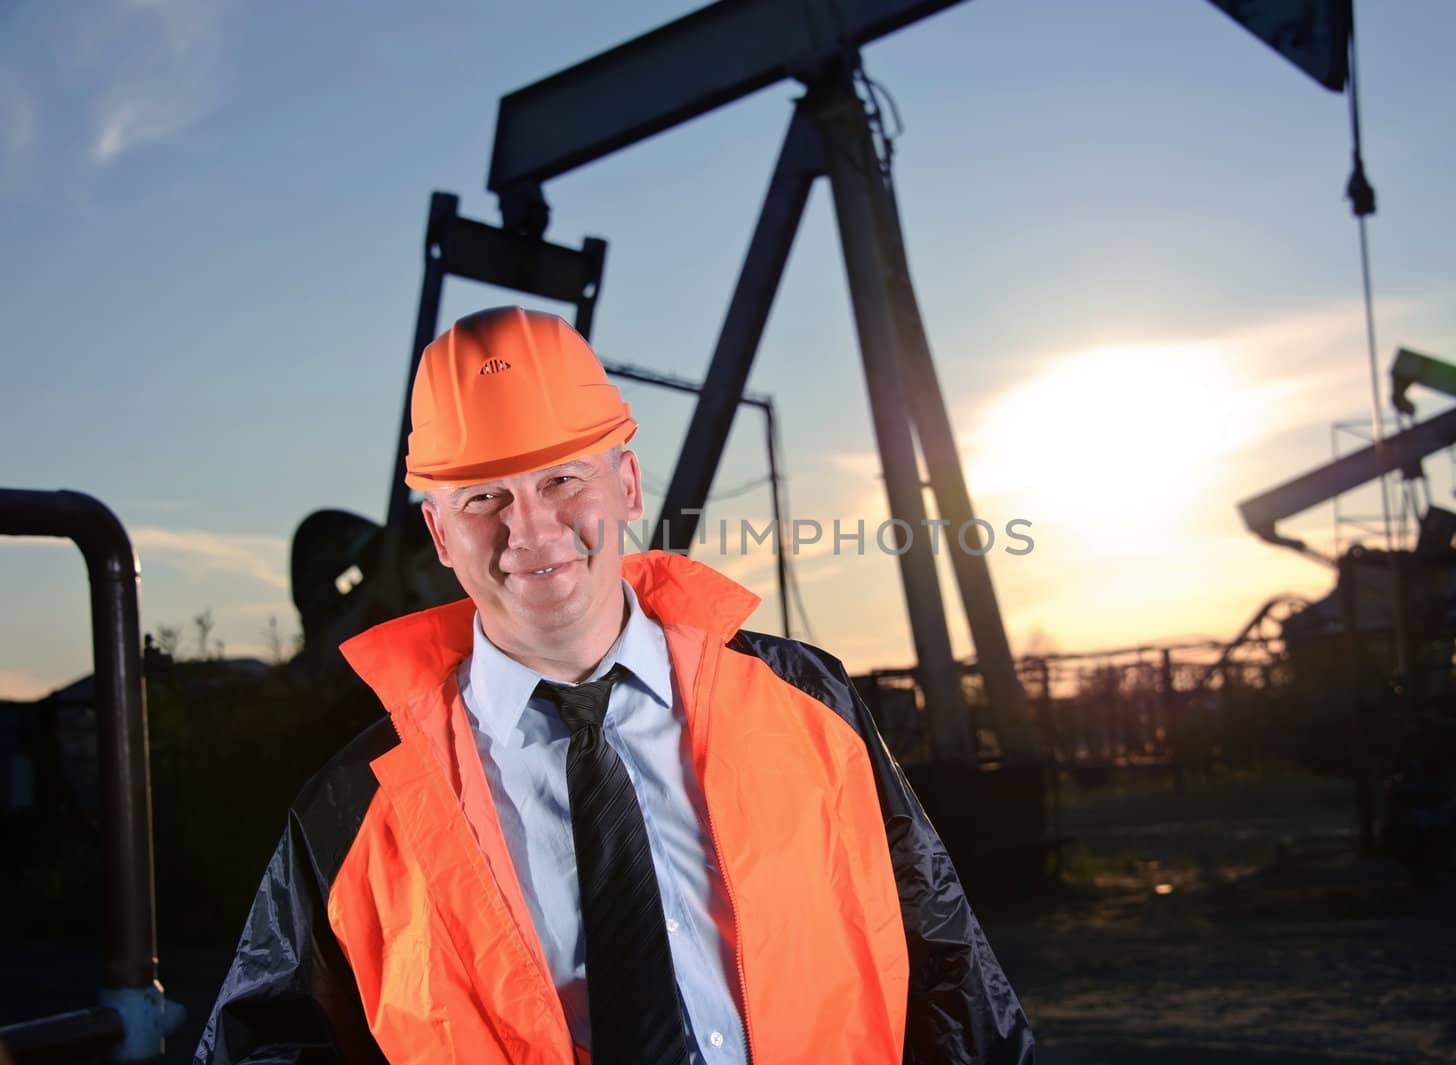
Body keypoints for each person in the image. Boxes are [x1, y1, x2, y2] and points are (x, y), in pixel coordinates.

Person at [196, 307, 1035, 1064]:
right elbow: (266, 1044)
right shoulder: (354, 813)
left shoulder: (808, 705)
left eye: (563, 479)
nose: (529, 529)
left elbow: (947, 973)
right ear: (437, 533)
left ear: (627, 484)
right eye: (484, 496)